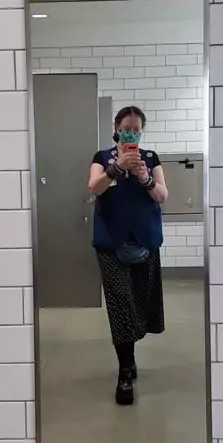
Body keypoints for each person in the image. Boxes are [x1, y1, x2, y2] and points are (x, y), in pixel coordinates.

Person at [89, 106, 169, 406]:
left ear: (142, 131)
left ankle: (130, 357)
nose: (131, 134)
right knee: (120, 305)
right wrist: (116, 167)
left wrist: (145, 177)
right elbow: (94, 187)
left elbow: (163, 195)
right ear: (117, 129)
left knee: (141, 304)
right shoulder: (102, 158)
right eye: (126, 129)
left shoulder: (151, 158)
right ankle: (125, 371)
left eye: (136, 129)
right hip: (111, 244)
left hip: (145, 240)